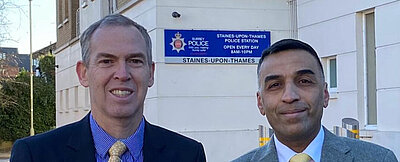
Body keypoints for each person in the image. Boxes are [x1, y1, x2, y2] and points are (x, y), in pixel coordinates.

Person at [10, 14, 206, 162]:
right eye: (106, 61)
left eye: (135, 60)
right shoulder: (35, 155)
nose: (122, 73)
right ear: (83, 73)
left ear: (151, 73)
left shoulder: (188, 154)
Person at [233, 39, 398, 162]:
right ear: (260, 102)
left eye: (304, 81)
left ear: (325, 94)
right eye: (275, 85)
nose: (289, 96)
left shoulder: (379, 158)